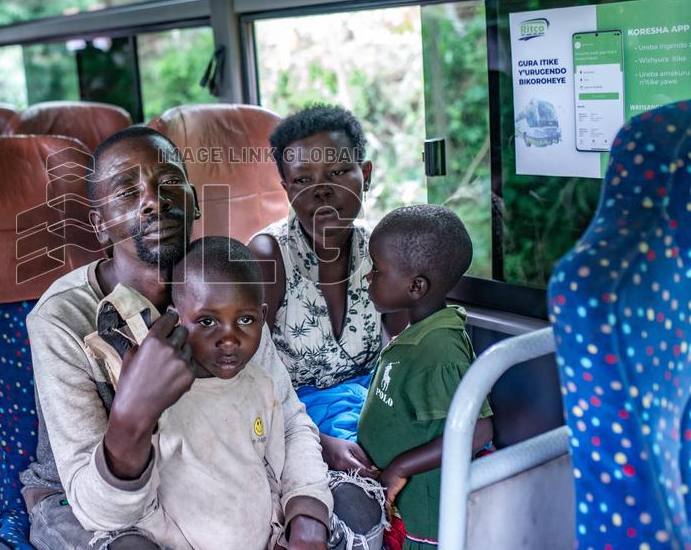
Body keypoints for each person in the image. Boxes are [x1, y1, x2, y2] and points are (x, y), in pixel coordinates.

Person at [22, 127, 383, 550]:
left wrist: (306, 511)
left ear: (193, 202)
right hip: (94, 498)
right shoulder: (61, 318)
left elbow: (286, 419)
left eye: (169, 182)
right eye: (127, 192)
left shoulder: (223, 285)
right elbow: (98, 509)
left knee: (355, 507)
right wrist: (131, 419)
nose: (154, 200)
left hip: (227, 464)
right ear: (100, 226)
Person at [86, 235, 351, 549]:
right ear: (174, 319)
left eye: (245, 320)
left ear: (263, 318)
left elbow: (275, 462)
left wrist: (301, 513)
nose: (229, 339)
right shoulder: (161, 397)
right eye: (207, 321)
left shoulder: (261, 384)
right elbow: (144, 504)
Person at [249, 104, 401, 474]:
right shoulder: (269, 255)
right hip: (294, 419)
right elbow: (246, 379)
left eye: (337, 172)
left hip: (372, 404)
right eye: (303, 180)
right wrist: (320, 443)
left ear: (365, 174)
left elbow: (401, 354)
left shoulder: (382, 250)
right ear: (287, 191)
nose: (322, 191)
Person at [357, 205, 493, 549]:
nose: (368, 277)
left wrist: (400, 467)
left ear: (416, 286)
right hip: (401, 503)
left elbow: (478, 430)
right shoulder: (418, 333)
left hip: (425, 518)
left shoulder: (438, 352)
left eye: (377, 269)